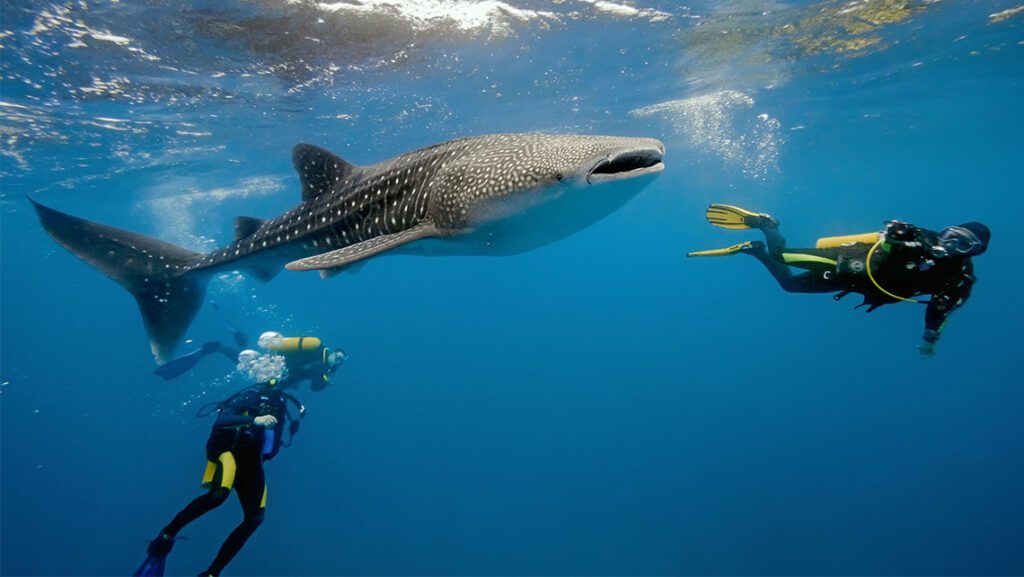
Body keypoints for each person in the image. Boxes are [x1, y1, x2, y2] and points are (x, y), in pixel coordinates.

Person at [688, 204, 990, 357]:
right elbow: (888, 247)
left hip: (857, 284)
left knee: (789, 286)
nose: (951, 244)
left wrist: (930, 338)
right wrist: (894, 239)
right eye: (952, 235)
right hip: (845, 263)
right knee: (781, 256)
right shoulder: (920, 237)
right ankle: (766, 224)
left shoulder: (959, 279)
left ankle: (755, 250)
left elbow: (940, 309)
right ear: (946, 230)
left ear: (973, 252)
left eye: (964, 244)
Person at [133, 352, 306, 577]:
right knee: (217, 497)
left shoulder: (280, 402)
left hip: (252, 459)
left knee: (255, 519)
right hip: (229, 451)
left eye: (277, 375)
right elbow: (223, 420)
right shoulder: (249, 395)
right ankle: (166, 536)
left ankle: (212, 573)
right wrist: (254, 419)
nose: (273, 379)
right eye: (269, 374)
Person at [156, 329, 347, 391]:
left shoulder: (321, 362)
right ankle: (216, 346)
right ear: (333, 352)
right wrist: (324, 381)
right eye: (338, 357)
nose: (338, 362)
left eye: (341, 362)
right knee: (246, 363)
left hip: (276, 372)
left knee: (247, 361)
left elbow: (301, 372)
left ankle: (240, 340)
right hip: (271, 366)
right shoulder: (320, 360)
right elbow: (315, 384)